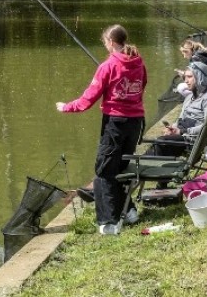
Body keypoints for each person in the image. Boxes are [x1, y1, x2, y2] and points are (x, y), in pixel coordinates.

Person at [55, 24, 146, 235]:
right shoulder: (139, 62)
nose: (105, 46)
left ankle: (108, 223)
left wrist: (66, 107)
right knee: (120, 167)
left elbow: (88, 99)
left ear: (111, 42)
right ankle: (130, 212)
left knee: (104, 171)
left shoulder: (108, 66)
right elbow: (141, 87)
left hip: (116, 123)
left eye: (105, 42)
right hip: (136, 122)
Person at [150, 62, 207, 157]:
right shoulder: (189, 97)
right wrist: (173, 128)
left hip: (193, 139)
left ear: (200, 77)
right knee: (157, 144)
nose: (186, 81)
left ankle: (144, 164)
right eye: (185, 77)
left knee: (161, 142)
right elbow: (181, 119)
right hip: (183, 135)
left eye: (190, 77)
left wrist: (182, 131)